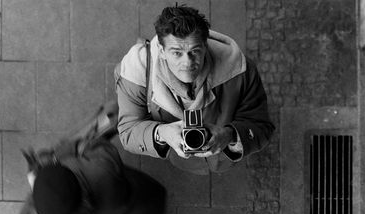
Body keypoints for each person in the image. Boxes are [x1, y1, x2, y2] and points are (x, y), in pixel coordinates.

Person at [115, 5, 275, 175]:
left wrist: (229, 135)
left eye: (195, 51)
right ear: (161, 51)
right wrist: (161, 133)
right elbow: (128, 130)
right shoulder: (136, 74)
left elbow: (261, 125)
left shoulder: (240, 70)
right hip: (184, 159)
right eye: (177, 53)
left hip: (221, 157)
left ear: (205, 45)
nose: (188, 63)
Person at [12, 122, 166, 214]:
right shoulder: (102, 168)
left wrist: (34, 195)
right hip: (143, 204)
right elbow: (94, 145)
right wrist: (57, 155)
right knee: (148, 213)